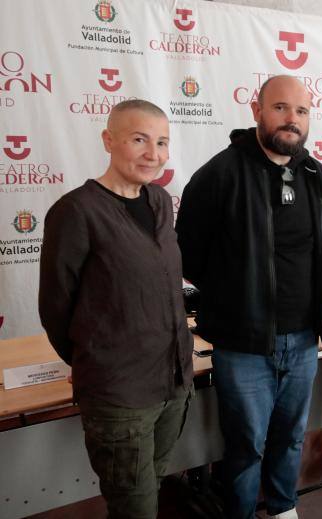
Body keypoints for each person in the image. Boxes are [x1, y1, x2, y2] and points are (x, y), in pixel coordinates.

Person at [175, 76, 322, 519]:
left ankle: (283, 507)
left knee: (291, 436)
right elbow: (189, 254)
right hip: (243, 344)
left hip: (302, 338)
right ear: (256, 110)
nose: (292, 119)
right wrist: (235, 294)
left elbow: (319, 251)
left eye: (301, 111)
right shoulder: (219, 174)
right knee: (245, 445)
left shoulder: (315, 174)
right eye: (281, 108)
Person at [39, 99, 194, 519]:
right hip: (120, 394)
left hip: (173, 383)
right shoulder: (76, 211)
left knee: (149, 490)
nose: (153, 154)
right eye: (139, 140)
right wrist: (94, 360)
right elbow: (55, 306)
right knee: (134, 506)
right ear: (108, 140)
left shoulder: (159, 200)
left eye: (162, 142)